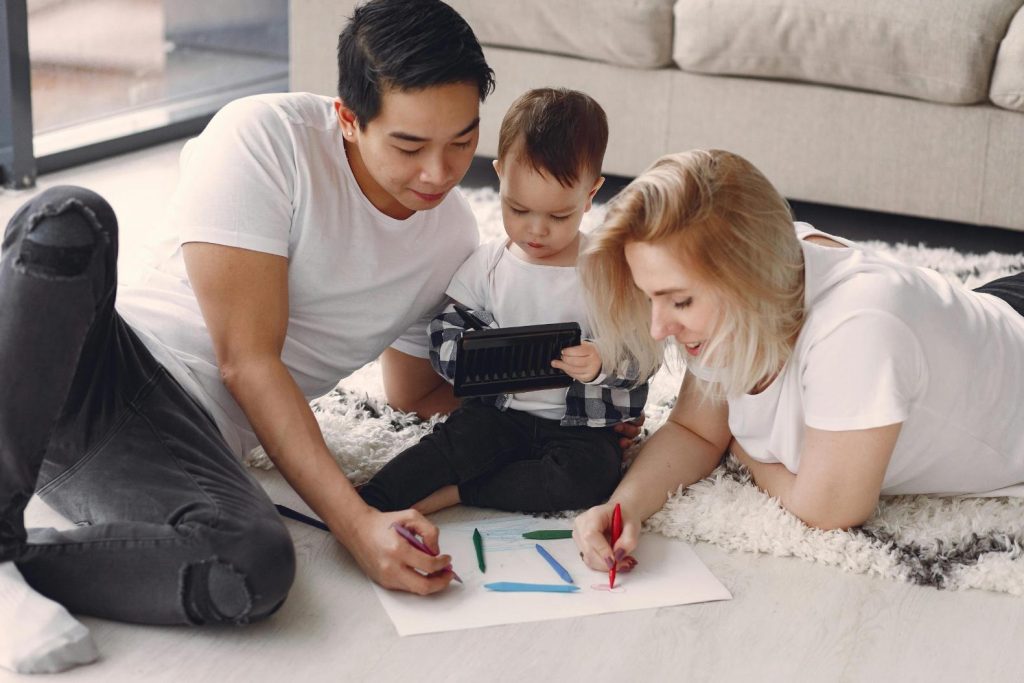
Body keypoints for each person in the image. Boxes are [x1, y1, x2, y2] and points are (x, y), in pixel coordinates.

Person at [0, 0, 498, 673]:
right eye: (410, 145)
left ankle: (16, 561)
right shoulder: (268, 135)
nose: (439, 173)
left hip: (178, 449)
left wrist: (551, 415)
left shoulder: (454, 239)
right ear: (348, 119)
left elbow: (412, 392)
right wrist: (355, 525)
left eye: (462, 141)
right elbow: (246, 360)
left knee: (254, 564)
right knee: (67, 219)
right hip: (100, 361)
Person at [571, 149, 1024, 574]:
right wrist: (621, 508)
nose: (658, 329)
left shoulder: (858, 326)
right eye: (652, 298)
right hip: (990, 318)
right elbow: (695, 430)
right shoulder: (742, 290)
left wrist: (744, 450)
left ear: (749, 279)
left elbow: (828, 508)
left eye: (681, 302)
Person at [359, 88, 650, 515]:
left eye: (559, 216)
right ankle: (370, 502)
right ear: (499, 175)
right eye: (517, 208)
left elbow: (645, 353)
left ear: (592, 194)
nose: (536, 230)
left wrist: (603, 360)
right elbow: (444, 333)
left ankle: (463, 493)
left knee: (590, 480)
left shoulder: (610, 273)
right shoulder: (488, 264)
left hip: (579, 428)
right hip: (497, 413)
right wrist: (478, 355)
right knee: (448, 447)